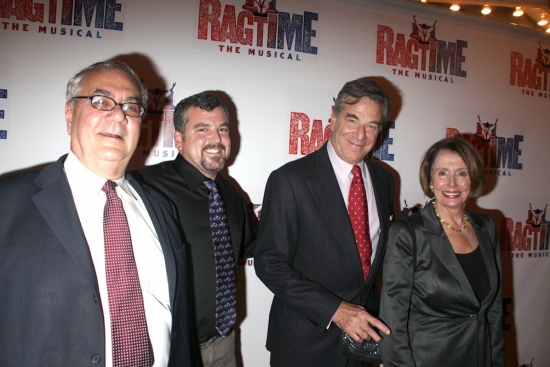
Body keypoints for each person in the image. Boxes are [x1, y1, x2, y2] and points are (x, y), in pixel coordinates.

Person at [0, 61, 195, 367]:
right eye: (101, 101)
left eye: (131, 107)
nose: (118, 115)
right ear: (69, 114)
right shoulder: (7, 203)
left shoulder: (161, 208)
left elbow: (180, 323)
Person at [254, 79, 395, 367]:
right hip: (305, 344)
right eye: (352, 119)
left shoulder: (384, 180)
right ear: (333, 117)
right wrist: (337, 311)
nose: (360, 134)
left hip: (362, 345)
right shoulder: (290, 180)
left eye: (371, 125)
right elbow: (269, 263)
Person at [133, 92, 257, 367]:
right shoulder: (144, 188)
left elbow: (255, 247)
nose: (216, 139)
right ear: (178, 139)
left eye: (222, 129)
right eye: (202, 129)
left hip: (224, 344)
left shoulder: (232, 195)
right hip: (172, 349)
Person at [380, 137, 504, 367]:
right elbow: (392, 322)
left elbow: (494, 309)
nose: (452, 184)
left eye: (462, 173)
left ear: (473, 178)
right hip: (426, 360)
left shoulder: (486, 227)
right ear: (430, 180)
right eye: (442, 173)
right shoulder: (408, 233)